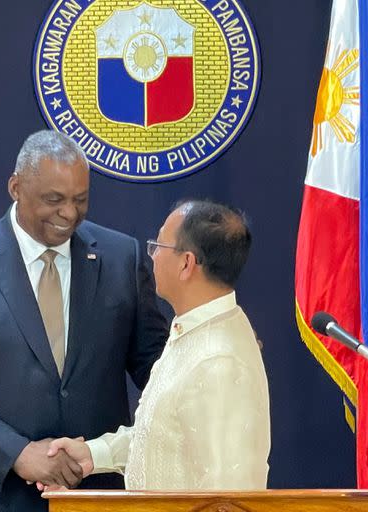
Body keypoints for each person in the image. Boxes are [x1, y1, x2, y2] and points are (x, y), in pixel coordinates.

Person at [0, 130, 167, 511]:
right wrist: (16, 452)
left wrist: (204, 353)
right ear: (16, 187)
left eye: (80, 199)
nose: (70, 214)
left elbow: (157, 368)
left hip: (96, 497)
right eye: (54, 200)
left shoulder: (121, 258)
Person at [45, 200, 270, 490]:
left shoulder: (219, 360)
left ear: (186, 263)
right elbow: (163, 437)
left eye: (158, 247)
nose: (151, 257)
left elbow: (226, 496)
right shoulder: (194, 331)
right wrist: (92, 453)